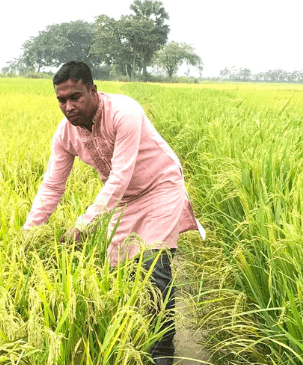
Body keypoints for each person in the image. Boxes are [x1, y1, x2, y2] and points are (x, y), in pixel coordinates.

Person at [22, 61, 205, 365]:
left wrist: (83, 225)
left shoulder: (124, 113)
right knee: (123, 272)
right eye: (61, 100)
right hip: (123, 200)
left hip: (159, 188)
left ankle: (161, 352)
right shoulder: (65, 135)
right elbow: (52, 186)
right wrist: (29, 232)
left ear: (93, 91)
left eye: (75, 97)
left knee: (154, 266)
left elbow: (119, 176)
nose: (68, 107)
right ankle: (134, 335)